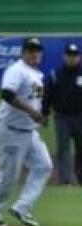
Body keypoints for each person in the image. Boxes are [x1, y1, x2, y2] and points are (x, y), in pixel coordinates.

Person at [0, 37, 52, 226]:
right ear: (23, 52)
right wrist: (32, 112)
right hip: (10, 131)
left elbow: (35, 102)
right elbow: (7, 94)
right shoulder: (17, 70)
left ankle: (22, 207)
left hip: (29, 132)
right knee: (9, 175)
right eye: (31, 50)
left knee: (43, 166)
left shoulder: (37, 74)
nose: (34, 53)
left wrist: (40, 116)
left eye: (37, 50)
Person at [44, 43, 82, 185]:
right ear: (64, 57)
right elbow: (47, 94)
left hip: (81, 117)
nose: (72, 58)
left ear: (79, 57)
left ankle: (80, 178)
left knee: (81, 148)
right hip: (62, 117)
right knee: (63, 149)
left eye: (74, 56)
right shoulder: (56, 75)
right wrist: (45, 112)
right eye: (69, 56)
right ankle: (64, 179)